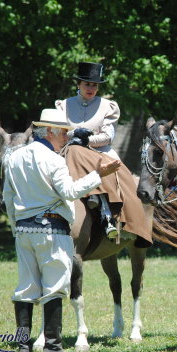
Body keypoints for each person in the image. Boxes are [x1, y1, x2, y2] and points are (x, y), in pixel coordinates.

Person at [3, 108, 120, 352]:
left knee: (25, 288)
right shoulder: (54, 160)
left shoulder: (15, 158)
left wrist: (16, 227)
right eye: (64, 131)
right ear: (51, 131)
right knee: (54, 287)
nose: (68, 136)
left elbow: (8, 196)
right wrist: (99, 175)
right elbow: (69, 191)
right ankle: (53, 347)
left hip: (24, 231)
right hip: (52, 230)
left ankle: (23, 347)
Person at [56, 62, 152, 246]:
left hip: (99, 151)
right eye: (87, 84)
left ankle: (118, 219)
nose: (91, 88)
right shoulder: (64, 105)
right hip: (67, 150)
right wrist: (75, 136)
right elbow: (59, 132)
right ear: (78, 84)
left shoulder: (108, 106)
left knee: (125, 180)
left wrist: (86, 140)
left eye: (94, 85)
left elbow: (108, 136)